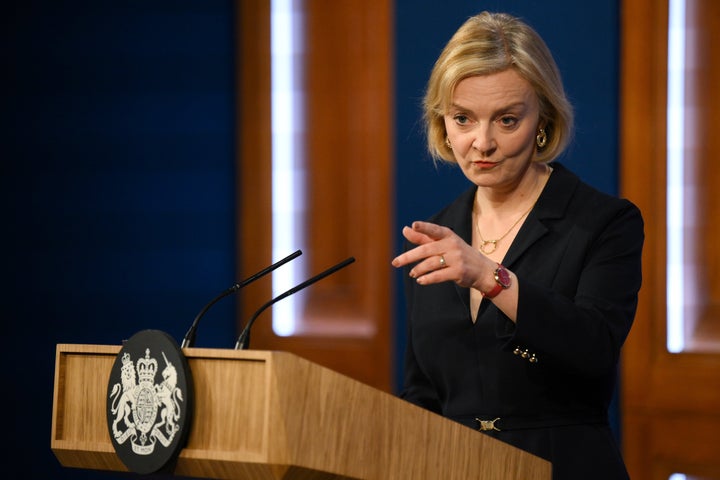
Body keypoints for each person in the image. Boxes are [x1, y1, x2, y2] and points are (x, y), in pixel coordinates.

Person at [391, 11, 643, 480]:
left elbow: (593, 350)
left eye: (506, 120)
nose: (481, 143)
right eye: (462, 119)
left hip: (563, 466)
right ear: (441, 122)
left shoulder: (603, 222)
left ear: (542, 121)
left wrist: (488, 276)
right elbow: (422, 393)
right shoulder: (441, 232)